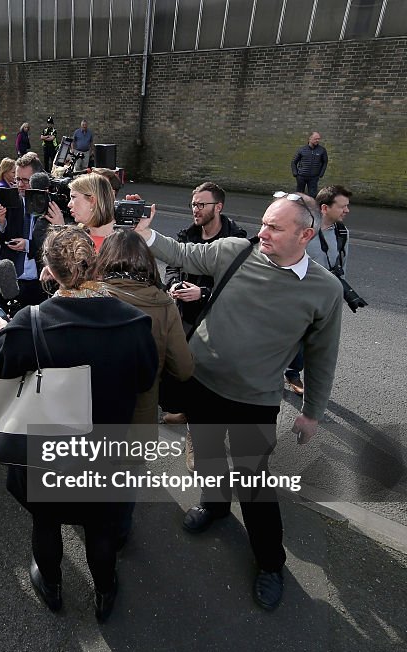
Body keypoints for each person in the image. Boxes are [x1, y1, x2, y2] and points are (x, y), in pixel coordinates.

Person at [132, 191, 344, 611]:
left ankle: (270, 563)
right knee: (208, 455)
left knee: (255, 484)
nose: (261, 232)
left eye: (274, 227)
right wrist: (145, 233)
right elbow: (183, 253)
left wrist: (312, 413)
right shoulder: (235, 251)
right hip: (203, 384)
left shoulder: (325, 290)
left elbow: (323, 356)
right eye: (263, 223)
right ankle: (214, 506)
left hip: (255, 400)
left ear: (305, 235)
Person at [0, 226, 158, 622]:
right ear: (95, 264)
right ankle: (104, 592)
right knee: (100, 527)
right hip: (105, 449)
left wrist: (4, 336)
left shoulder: (28, 323)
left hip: (47, 449)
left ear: (49, 270)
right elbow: (146, 380)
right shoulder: (134, 322)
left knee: (46, 521)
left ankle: (51, 584)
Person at [94, 230, 194, 547]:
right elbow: (184, 367)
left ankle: (92, 523)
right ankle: (120, 531)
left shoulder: (86, 296)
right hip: (138, 414)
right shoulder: (164, 305)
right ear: (148, 264)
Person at [162, 182, 247, 424]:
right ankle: (188, 411)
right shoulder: (187, 234)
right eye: (193, 205)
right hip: (185, 314)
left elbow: (237, 283)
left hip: (217, 318)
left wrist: (204, 292)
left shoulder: (236, 240)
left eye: (201, 205)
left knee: (211, 373)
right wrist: (173, 284)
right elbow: (173, 264)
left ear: (218, 207)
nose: (195, 210)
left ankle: (200, 426)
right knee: (185, 367)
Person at [0, 152, 48, 411]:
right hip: (8, 281)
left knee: (36, 340)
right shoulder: (10, 200)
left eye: (26, 180)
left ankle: (28, 392)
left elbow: (58, 244)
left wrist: (29, 244)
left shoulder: (48, 206)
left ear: (38, 179)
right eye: (17, 180)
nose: (20, 185)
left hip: (39, 286)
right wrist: (0, 222)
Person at [284, 184, 353, 394]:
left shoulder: (342, 232)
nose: (347, 211)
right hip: (295, 295)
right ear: (324, 208)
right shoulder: (302, 229)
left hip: (323, 298)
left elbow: (342, 265)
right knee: (285, 336)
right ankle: (278, 371)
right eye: (342, 206)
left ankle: (294, 373)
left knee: (313, 340)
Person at [45, 172, 118, 252]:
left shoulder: (122, 244)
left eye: (73, 197)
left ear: (92, 200)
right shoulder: (76, 239)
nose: (69, 204)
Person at [291, 131, 328, 197]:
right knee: (299, 195)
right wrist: (295, 173)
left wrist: (321, 174)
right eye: (316, 139)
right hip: (301, 176)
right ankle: (299, 206)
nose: (318, 140)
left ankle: (311, 207)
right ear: (310, 139)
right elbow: (294, 162)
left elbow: (325, 162)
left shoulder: (322, 150)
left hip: (314, 177)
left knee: (313, 195)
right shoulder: (302, 150)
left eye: (318, 139)